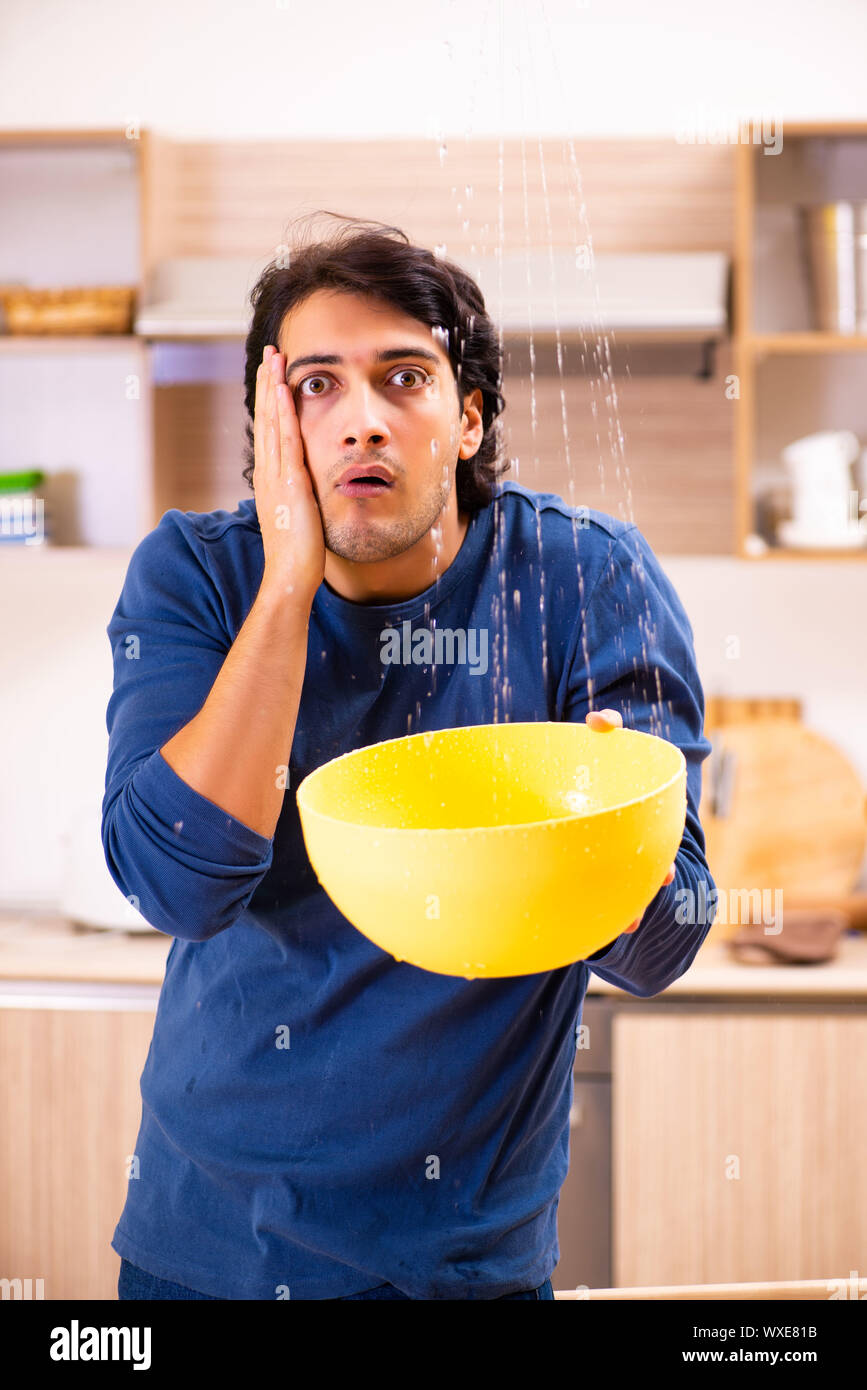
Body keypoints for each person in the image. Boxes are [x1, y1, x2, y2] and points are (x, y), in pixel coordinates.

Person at [103, 212, 716, 1301]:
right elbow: (181, 885)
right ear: (268, 420)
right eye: (318, 386)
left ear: (470, 417)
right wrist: (289, 581)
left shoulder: (585, 580)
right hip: (208, 1252)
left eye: (405, 378)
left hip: (462, 1265)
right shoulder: (195, 577)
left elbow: (664, 945)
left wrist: (616, 847)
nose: (362, 423)